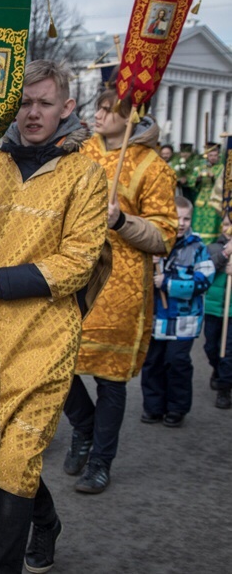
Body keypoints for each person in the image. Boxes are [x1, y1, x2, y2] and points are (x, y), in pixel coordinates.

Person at [0, 59, 108, 573]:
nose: (33, 113)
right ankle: (47, 521)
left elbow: (77, 263)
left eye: (44, 103)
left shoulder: (86, 174)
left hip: (45, 337)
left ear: (66, 107)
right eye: (25, 103)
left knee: (18, 458)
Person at [63, 89, 177, 494]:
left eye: (108, 109)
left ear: (130, 116)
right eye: (97, 107)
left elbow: (164, 235)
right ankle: (84, 427)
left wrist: (121, 221)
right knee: (58, 362)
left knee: (110, 380)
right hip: (74, 275)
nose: (98, 115)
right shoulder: (78, 153)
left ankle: (100, 460)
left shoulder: (152, 166)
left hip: (121, 286)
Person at [141, 196, 214, 428]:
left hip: (183, 321)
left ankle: (176, 407)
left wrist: (169, 282)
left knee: (176, 362)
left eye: (186, 219)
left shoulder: (198, 247)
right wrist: (147, 266)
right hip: (156, 320)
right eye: (177, 218)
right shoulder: (154, 243)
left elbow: (204, 281)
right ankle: (153, 406)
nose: (181, 223)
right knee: (152, 363)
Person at [204, 215, 232, 410]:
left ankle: (224, 388)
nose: (229, 228)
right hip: (213, 308)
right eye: (227, 224)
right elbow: (205, 268)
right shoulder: (213, 247)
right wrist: (225, 254)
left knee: (228, 352)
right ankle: (217, 367)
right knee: (211, 347)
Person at [191, 143, 223, 243]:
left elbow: (223, 183)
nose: (213, 158)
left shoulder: (221, 168)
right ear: (207, 156)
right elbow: (192, 182)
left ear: (218, 156)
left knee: (213, 221)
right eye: (210, 155)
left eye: (215, 155)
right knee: (198, 220)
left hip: (214, 198)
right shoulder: (201, 167)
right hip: (201, 198)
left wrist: (213, 177)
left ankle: (212, 241)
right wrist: (198, 179)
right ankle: (197, 240)